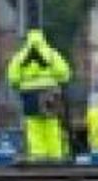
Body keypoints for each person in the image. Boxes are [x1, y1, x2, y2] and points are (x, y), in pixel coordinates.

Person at [6, 28, 72, 162]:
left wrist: (22, 83)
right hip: (50, 92)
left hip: (29, 94)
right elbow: (64, 73)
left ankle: (38, 156)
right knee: (51, 123)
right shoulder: (52, 54)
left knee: (33, 124)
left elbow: (12, 77)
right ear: (43, 39)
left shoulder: (20, 56)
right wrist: (56, 81)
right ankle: (55, 156)